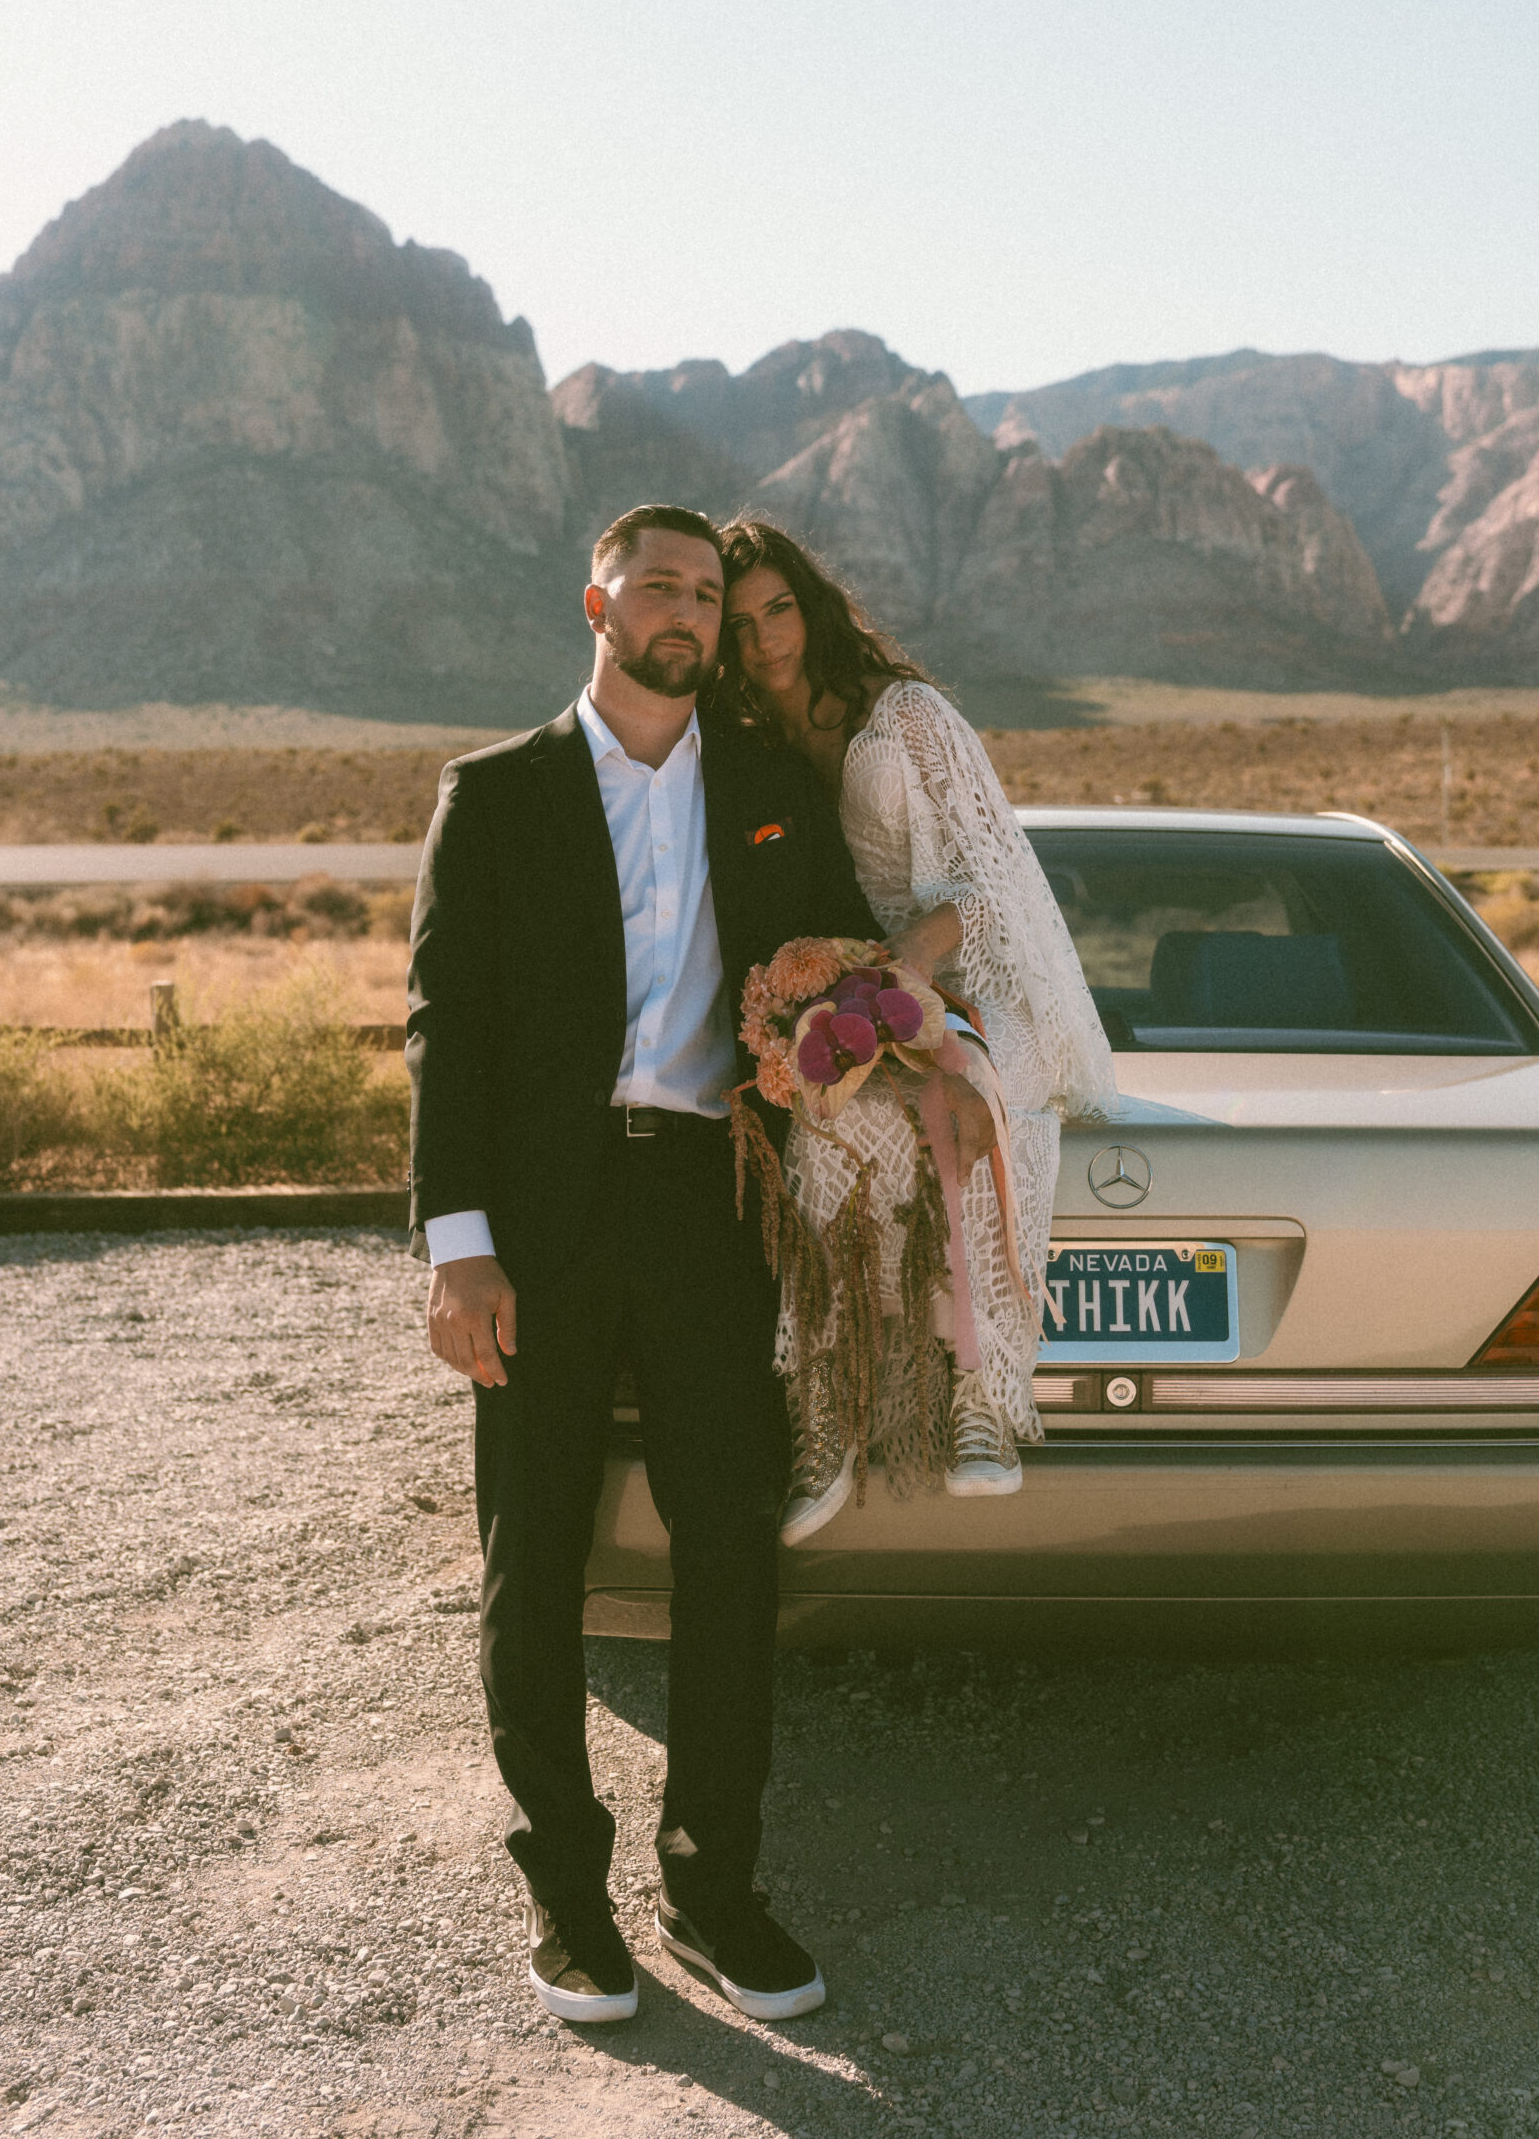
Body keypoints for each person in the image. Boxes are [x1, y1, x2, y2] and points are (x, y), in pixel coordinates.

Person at [406, 505, 882, 2029]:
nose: (685, 611)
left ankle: (710, 1891)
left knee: (728, 1549)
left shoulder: (766, 787)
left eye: (706, 594)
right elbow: (444, 1025)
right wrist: (458, 1248)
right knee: (533, 1553)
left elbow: (839, 961)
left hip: (708, 1205)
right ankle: (565, 1900)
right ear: (596, 603)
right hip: (537, 1225)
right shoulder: (496, 792)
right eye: (657, 586)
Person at [716, 519, 1119, 1536]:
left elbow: (993, 880)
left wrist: (914, 962)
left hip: (978, 973)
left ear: (810, 605)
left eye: (779, 608)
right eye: (740, 623)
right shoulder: (744, 743)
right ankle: (827, 1406)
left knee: (976, 1098)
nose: (765, 638)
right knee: (827, 1124)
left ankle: (981, 1397)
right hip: (867, 985)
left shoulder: (907, 712)